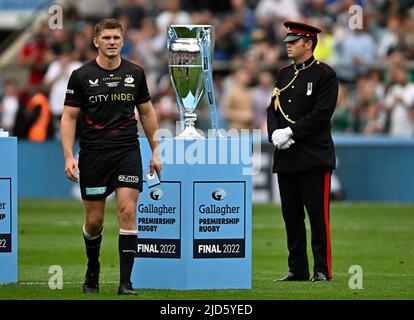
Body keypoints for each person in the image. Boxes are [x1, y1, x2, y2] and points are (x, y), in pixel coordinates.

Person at [61, 18, 161, 295]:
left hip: (127, 150)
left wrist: (156, 149)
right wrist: (69, 155)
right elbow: (69, 118)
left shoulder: (135, 73)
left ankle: (125, 282)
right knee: (94, 222)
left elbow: (147, 113)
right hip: (93, 153)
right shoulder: (81, 76)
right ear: (96, 42)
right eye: (106, 38)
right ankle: (93, 270)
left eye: (116, 38)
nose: (112, 42)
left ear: (122, 40)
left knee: (128, 212)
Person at [266, 21, 338, 282]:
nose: (288, 46)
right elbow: (272, 109)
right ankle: (297, 269)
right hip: (287, 156)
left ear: (308, 44)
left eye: (293, 42)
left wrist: (291, 132)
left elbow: (321, 114)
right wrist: (273, 132)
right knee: (291, 216)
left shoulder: (324, 75)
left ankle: (322, 269)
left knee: (318, 217)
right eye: (287, 42)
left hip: (314, 157)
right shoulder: (284, 74)